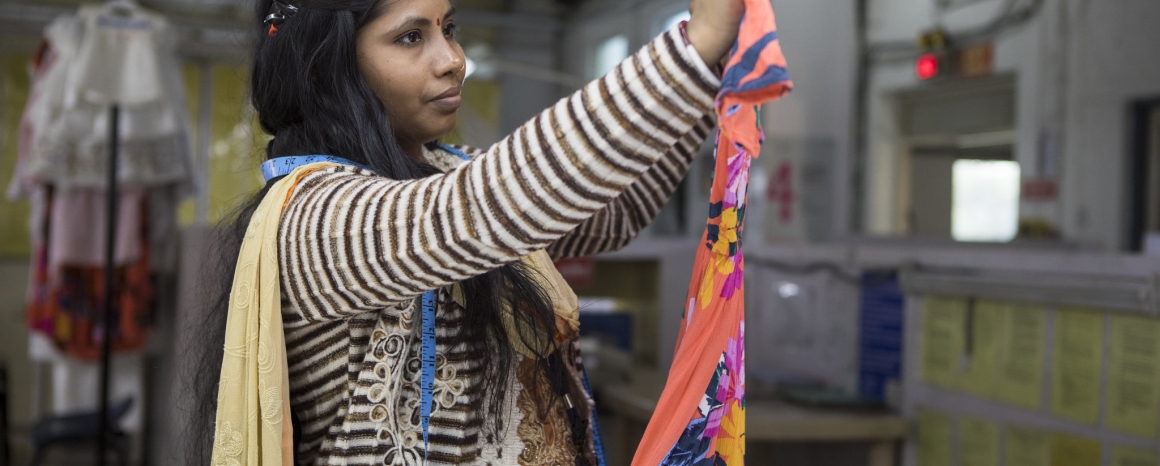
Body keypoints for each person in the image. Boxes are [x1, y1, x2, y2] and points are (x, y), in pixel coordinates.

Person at [188, 0, 743, 464]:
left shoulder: (446, 171)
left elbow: (613, 210)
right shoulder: (315, 218)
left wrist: (713, 71)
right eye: (410, 38)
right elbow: (494, 203)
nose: (453, 60)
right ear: (330, 66)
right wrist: (692, 50)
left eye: (449, 30)